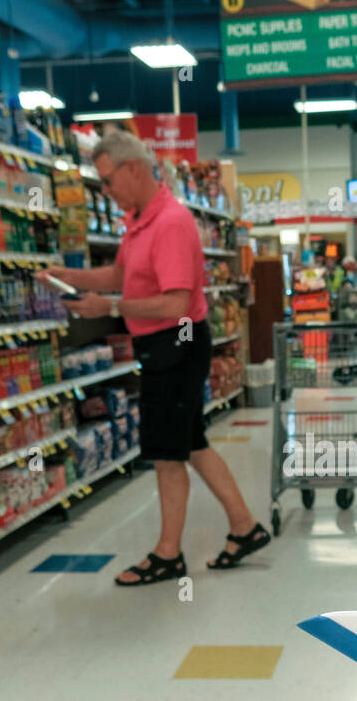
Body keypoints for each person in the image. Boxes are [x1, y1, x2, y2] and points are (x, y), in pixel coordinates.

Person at [37, 130, 269, 586]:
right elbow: (121, 273)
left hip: (178, 345)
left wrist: (112, 308)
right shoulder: (139, 220)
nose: (105, 191)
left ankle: (170, 554)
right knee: (189, 443)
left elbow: (175, 304)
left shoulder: (171, 223)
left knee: (169, 453)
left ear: (133, 169)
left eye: (107, 181)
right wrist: (69, 276)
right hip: (160, 348)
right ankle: (243, 527)